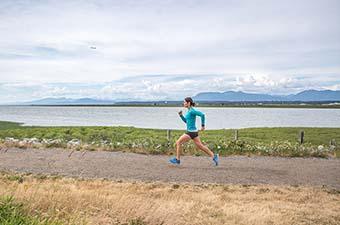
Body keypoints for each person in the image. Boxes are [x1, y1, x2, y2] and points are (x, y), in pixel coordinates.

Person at [169, 97, 218, 166]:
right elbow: (186, 121)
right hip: (194, 132)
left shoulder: (192, 111)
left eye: (184, 102)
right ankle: (214, 156)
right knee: (201, 146)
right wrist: (181, 116)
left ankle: (177, 160)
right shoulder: (189, 111)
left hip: (190, 132)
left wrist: (203, 126)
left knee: (178, 142)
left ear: (188, 103)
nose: (183, 103)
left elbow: (202, 115)